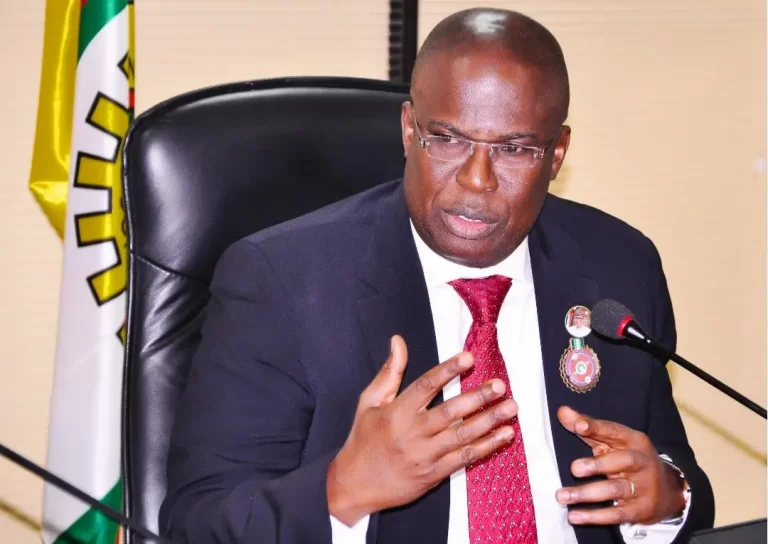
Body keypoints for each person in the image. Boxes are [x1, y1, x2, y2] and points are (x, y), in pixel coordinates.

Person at [159, 8, 715, 544]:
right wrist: (342, 490)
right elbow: (199, 521)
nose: (476, 179)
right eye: (448, 139)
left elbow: (672, 474)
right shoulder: (281, 282)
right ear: (409, 130)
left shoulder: (618, 265)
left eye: (514, 149)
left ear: (556, 154)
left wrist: (668, 498)